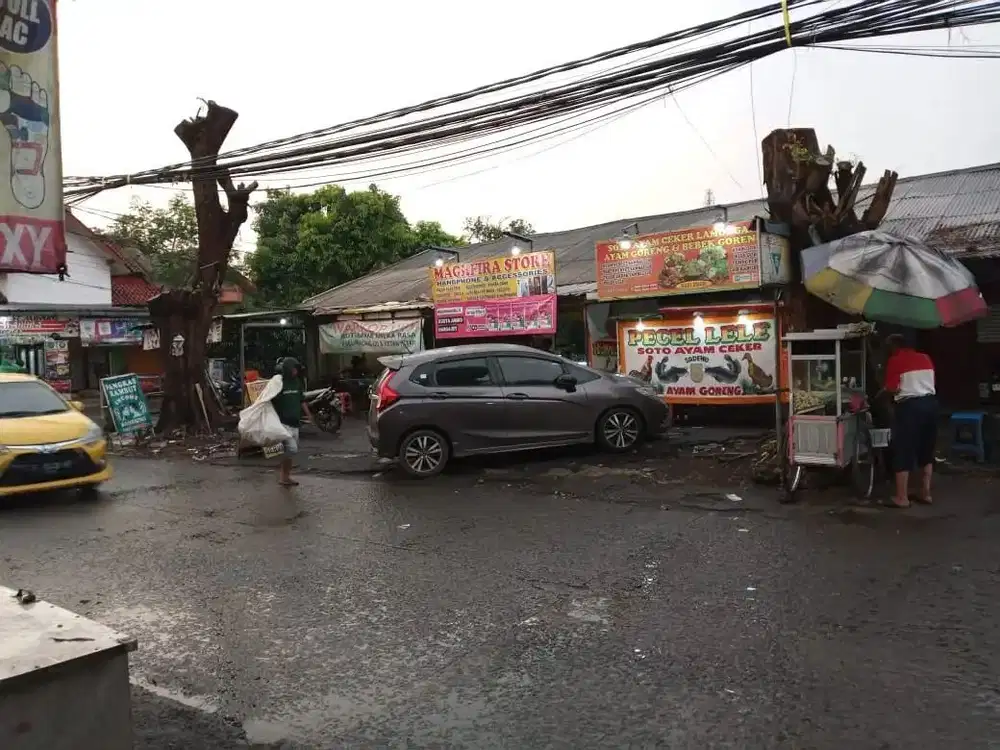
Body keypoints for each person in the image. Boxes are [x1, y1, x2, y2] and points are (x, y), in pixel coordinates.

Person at [882, 334, 937, 508]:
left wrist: (885, 392)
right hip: (931, 405)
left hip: (910, 407)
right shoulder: (925, 358)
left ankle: (902, 498)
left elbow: (892, 387)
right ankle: (926, 493)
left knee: (903, 449)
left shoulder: (895, 360)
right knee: (926, 450)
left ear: (895, 347)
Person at [272, 356, 312, 487]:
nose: (296, 371)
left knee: (290, 454)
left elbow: (302, 400)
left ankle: (285, 477)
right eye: (294, 369)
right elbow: (270, 401)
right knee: (292, 449)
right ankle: (281, 472)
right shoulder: (279, 384)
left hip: (295, 423)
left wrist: (309, 415)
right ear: (288, 369)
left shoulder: (297, 382)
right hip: (283, 423)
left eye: (297, 369)